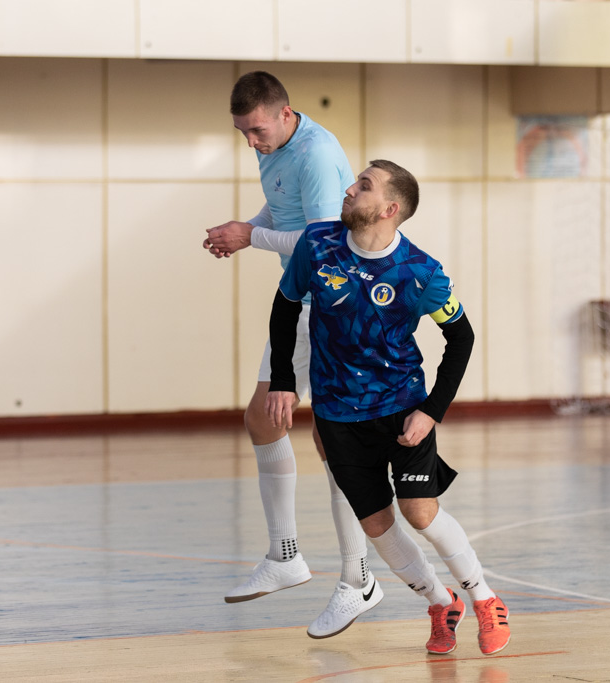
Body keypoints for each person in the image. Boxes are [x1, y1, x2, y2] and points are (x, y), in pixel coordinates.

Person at [264, 159, 511, 655]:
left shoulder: (420, 272)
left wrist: (432, 411)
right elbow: (286, 306)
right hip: (337, 413)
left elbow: (461, 338)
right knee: (376, 524)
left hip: (402, 408)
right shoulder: (318, 244)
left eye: (364, 185)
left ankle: (484, 598)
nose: (349, 189)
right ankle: (440, 603)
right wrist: (284, 382)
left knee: (419, 512)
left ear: (389, 209)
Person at [204, 71, 384, 638]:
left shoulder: (316, 155)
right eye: (242, 133)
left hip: (333, 305)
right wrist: (248, 226)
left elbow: (322, 240)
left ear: (286, 114)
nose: (251, 143)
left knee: (334, 440)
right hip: (300, 301)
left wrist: (249, 237)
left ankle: (358, 579)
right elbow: (283, 208)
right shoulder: (277, 148)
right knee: (265, 419)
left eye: (257, 130)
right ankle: (285, 556)